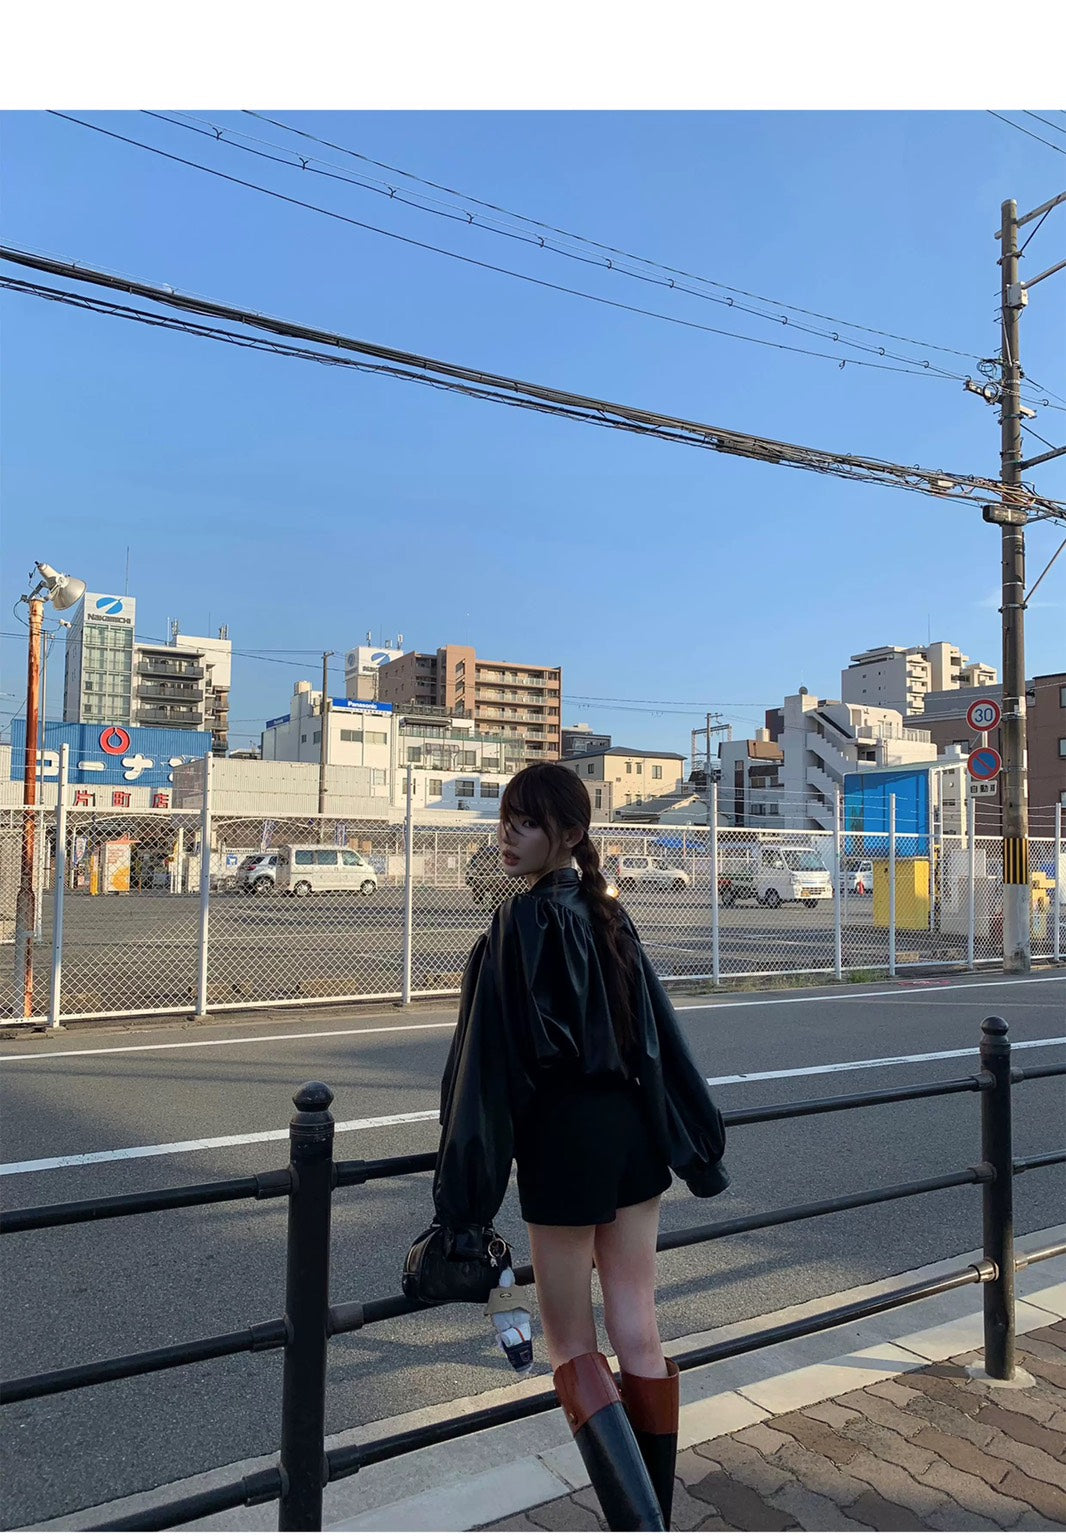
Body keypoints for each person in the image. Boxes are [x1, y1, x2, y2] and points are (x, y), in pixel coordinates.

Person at [427, 762, 729, 1531]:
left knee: (569, 1345)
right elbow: (659, 1040)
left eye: (526, 822)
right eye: (506, 818)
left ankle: (635, 1522)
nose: (507, 834)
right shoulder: (610, 916)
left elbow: (484, 1077)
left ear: (568, 834)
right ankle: (654, 1515)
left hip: (561, 1144)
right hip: (632, 1139)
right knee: (638, 1324)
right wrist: (697, 1146)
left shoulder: (516, 925)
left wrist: (464, 1204)